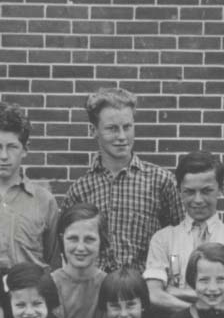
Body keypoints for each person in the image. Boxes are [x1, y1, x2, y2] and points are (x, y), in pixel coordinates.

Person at [64, 87, 182, 272]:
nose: (121, 136)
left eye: (127, 127)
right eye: (112, 129)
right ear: (93, 130)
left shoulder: (161, 181)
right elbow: (67, 250)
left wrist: (173, 277)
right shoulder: (80, 190)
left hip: (146, 285)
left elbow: (179, 240)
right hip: (96, 286)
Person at [143, 151, 224, 313]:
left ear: (221, 189)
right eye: (189, 192)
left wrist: (178, 292)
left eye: (206, 191)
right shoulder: (163, 239)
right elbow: (154, 294)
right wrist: (196, 312)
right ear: (179, 191)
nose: (197, 200)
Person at [0, 101, 61, 270]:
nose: (4, 156)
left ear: (25, 149)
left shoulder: (44, 201)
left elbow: (54, 263)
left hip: (30, 286)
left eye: (12, 147)